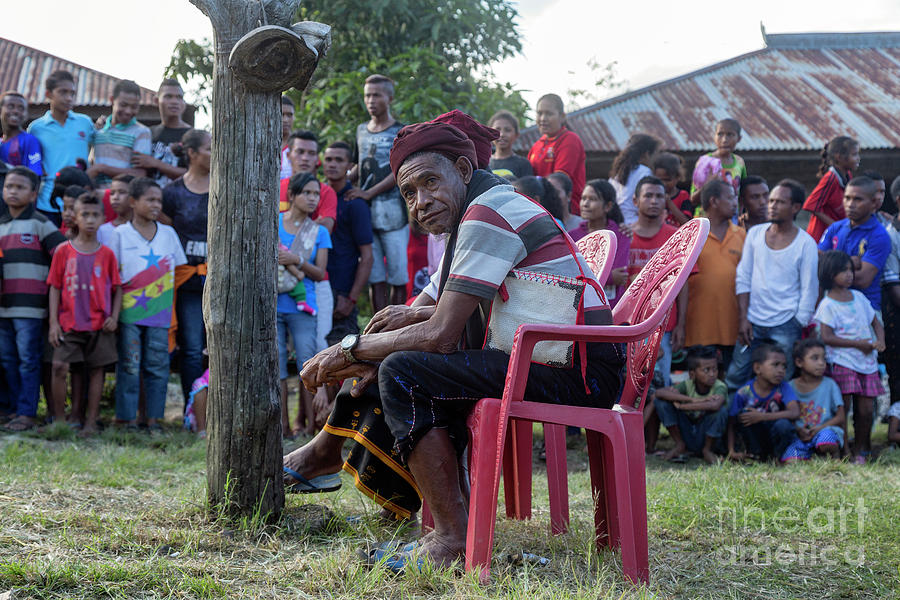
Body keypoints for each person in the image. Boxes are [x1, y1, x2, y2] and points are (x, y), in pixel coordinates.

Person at [282, 110, 622, 571]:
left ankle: (450, 537)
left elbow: (441, 334)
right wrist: (374, 345)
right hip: (550, 358)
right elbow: (435, 317)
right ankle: (344, 463)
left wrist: (348, 350)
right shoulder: (474, 213)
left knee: (402, 371)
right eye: (408, 193)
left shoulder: (488, 212)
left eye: (429, 183)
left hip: (578, 368)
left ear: (463, 171)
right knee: (394, 355)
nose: (420, 201)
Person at [725, 179, 818, 392]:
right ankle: (731, 426)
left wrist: (797, 323)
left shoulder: (806, 244)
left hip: (787, 324)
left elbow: (809, 290)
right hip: (752, 322)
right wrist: (743, 319)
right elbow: (743, 277)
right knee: (735, 378)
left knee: (779, 382)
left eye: (779, 201)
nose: (772, 205)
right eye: (771, 200)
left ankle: (775, 424)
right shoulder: (755, 235)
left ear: (795, 208)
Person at [113, 177, 187, 432]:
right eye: (150, 200)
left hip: (160, 314)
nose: (157, 205)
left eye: (159, 200)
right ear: (133, 202)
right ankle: (127, 419)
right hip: (127, 313)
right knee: (129, 366)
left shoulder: (168, 234)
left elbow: (178, 269)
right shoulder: (119, 234)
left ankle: (154, 420)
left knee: (158, 366)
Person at [47, 193, 122, 434]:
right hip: (68, 322)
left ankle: (90, 422)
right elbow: (55, 287)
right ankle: (60, 421)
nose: (90, 220)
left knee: (96, 370)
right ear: (75, 218)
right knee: (59, 366)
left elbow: (117, 288)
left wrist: (115, 316)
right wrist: (53, 323)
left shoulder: (107, 254)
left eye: (95, 215)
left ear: (102, 218)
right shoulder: (62, 251)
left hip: (100, 323)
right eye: (85, 215)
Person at [0, 167, 66, 431]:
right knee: (7, 359)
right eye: (9, 186)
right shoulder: (1, 224)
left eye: (20, 187)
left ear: (33, 194)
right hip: (4, 307)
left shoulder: (40, 223)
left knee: (29, 359)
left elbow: (62, 255)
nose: (13, 191)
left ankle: (27, 412)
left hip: (31, 307)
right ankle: (12, 409)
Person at [315, 141, 374, 430]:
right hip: (313, 287)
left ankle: (343, 423)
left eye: (339, 160)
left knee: (344, 360)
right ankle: (311, 422)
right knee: (312, 355)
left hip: (342, 290)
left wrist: (352, 297)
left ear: (349, 165)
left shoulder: (355, 203)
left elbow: (367, 256)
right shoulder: (314, 195)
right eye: (327, 158)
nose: (332, 164)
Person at [814, 250, 885, 464]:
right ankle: (844, 449)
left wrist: (880, 341)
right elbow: (826, 336)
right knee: (843, 408)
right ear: (829, 273)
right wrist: (858, 344)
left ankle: (861, 448)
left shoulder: (860, 298)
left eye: (850, 270)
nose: (848, 275)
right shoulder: (827, 305)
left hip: (867, 363)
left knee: (865, 410)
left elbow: (876, 323)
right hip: (843, 362)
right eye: (842, 271)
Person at [278, 172, 331, 436]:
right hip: (273, 305)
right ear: (291, 196)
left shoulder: (318, 231)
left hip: (304, 306)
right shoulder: (273, 223)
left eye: (316, 194)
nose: (312, 199)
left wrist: (294, 260)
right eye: (306, 193)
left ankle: (313, 429)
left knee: (308, 366)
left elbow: (320, 273)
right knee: (275, 369)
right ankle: (282, 428)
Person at [161, 129, 210, 403]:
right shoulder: (172, 193)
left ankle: (216, 409)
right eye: (209, 149)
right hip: (188, 282)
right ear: (191, 153)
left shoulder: (223, 185)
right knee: (191, 348)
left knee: (217, 347)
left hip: (221, 281)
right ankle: (192, 410)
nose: (214, 154)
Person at [350, 74, 407, 312]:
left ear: (389, 98)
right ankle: (378, 328)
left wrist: (368, 193)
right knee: (375, 277)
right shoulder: (362, 130)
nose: (371, 100)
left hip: (394, 215)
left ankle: (399, 327)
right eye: (367, 95)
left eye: (376, 95)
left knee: (398, 275)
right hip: (367, 216)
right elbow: (359, 166)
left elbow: (400, 171)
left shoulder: (401, 131)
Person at [627, 176, 688, 387]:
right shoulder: (624, 235)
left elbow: (683, 283)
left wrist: (681, 324)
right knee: (630, 387)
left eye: (659, 196)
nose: (654, 201)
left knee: (660, 386)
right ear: (636, 200)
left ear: (666, 201)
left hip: (664, 326)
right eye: (648, 196)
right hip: (628, 326)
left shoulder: (677, 237)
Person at [278, 130, 337, 351]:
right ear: (288, 154)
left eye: (311, 153)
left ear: (317, 159)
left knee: (318, 349)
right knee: (275, 353)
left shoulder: (324, 191)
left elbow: (325, 229)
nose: (305, 158)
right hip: (277, 281)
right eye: (299, 151)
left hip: (315, 282)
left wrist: (293, 257)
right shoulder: (275, 186)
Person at [684, 179, 745, 372]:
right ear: (714, 201)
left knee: (727, 383)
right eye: (730, 197)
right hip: (698, 327)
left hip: (732, 327)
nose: (735, 202)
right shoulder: (691, 233)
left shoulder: (742, 234)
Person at [27, 70, 95, 225]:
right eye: (63, 92)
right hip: (47, 202)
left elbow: (98, 148)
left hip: (80, 202)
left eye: (72, 93)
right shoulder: (36, 128)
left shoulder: (85, 123)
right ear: (48, 94)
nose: (69, 98)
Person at [817, 176, 891, 314]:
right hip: (831, 306)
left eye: (857, 199)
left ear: (874, 202)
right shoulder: (835, 228)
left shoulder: (880, 236)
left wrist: (828, 267)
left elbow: (862, 279)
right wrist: (850, 262)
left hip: (866, 310)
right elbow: (815, 263)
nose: (850, 204)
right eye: (847, 198)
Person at [654, 345, 729, 464]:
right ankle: (680, 444)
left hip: (705, 434)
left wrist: (683, 406)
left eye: (714, 369)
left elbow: (715, 405)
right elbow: (659, 393)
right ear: (692, 374)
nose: (712, 374)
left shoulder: (719, 386)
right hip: (688, 431)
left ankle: (707, 450)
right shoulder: (688, 385)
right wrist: (693, 400)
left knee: (721, 411)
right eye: (706, 370)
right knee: (661, 403)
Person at [726, 341, 800, 462]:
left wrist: (762, 416)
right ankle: (755, 455)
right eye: (775, 365)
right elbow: (732, 423)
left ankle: (777, 456)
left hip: (775, 435)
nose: (781, 370)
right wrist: (731, 450)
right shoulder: (744, 392)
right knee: (744, 414)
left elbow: (794, 412)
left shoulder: (783, 387)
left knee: (784, 425)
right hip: (756, 436)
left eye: (784, 366)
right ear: (757, 368)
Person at [780, 339, 845, 462]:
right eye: (815, 358)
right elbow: (787, 416)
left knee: (826, 441)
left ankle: (833, 454)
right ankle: (813, 456)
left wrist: (820, 428)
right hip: (800, 436)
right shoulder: (790, 387)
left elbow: (840, 417)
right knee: (789, 460)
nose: (821, 363)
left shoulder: (830, 385)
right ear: (799, 362)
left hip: (825, 431)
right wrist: (798, 430)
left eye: (824, 358)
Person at [568, 179, 629, 306]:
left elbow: (620, 275)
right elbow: (571, 274)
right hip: (581, 306)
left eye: (593, 199)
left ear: (608, 206)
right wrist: (610, 277)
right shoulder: (573, 235)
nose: (585, 204)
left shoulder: (621, 235)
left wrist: (587, 276)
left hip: (610, 305)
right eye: (583, 198)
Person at [526, 94, 586, 216]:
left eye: (549, 114)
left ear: (562, 116)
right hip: (540, 210)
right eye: (539, 113)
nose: (543, 118)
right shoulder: (537, 145)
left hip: (566, 212)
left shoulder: (569, 139)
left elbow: (559, 181)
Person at [87, 79, 151, 188]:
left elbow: (139, 174)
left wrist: (102, 168)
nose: (128, 111)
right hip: (96, 198)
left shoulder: (141, 132)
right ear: (112, 100)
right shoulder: (98, 130)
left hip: (123, 200)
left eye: (134, 107)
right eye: (123, 105)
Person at [134, 79, 191, 188]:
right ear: (156, 101)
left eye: (179, 97)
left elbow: (197, 175)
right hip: (151, 201)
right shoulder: (147, 133)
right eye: (168, 96)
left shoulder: (194, 136)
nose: (174, 101)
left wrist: (156, 163)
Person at [803, 136, 859, 243]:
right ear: (839, 157)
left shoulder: (848, 176)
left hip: (835, 237)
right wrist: (836, 226)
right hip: (819, 238)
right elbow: (811, 205)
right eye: (854, 154)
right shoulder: (831, 178)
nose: (858, 158)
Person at [689, 118, 747, 207]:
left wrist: (739, 214)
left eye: (730, 135)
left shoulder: (739, 162)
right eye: (720, 134)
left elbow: (743, 194)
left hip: (731, 219)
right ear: (714, 136)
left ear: (739, 138)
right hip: (706, 219)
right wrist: (709, 183)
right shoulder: (704, 162)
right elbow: (693, 199)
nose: (724, 140)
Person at [609, 133, 662, 225]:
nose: (656, 159)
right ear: (646, 154)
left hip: (615, 222)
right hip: (634, 223)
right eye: (655, 154)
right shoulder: (645, 172)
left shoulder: (618, 172)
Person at [0, 91, 43, 176]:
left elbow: (34, 175)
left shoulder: (30, 141)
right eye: (10, 106)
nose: (16, 111)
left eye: (21, 108)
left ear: (26, 114)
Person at [487, 110, 532, 180]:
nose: (502, 134)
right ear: (490, 133)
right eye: (497, 129)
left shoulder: (523, 164)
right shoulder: (485, 163)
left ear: (516, 135)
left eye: (507, 130)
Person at [652, 152, 691, 226]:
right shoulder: (652, 197)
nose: (664, 184)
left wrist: (669, 202)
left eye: (667, 180)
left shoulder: (683, 196)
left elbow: (687, 224)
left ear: (677, 177)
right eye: (660, 180)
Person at [98, 174, 133, 247]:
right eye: (112, 193)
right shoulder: (102, 231)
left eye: (122, 192)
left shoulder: (144, 230)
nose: (115, 197)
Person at [280, 96, 295, 179]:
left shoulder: (300, 144)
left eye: (290, 115)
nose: (285, 120)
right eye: (282, 114)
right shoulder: (263, 144)